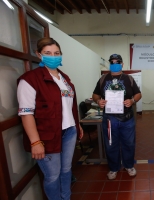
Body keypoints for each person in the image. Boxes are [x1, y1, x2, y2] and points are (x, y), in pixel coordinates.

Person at [17, 37, 83, 200]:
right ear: (39, 55)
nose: (53, 56)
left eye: (56, 53)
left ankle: (65, 197)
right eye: (48, 53)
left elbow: (70, 106)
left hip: (69, 131)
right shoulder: (30, 80)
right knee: (52, 175)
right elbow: (26, 113)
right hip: (46, 136)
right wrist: (35, 142)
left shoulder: (65, 79)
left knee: (66, 169)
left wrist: (77, 124)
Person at [92, 54, 141, 180]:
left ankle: (129, 165)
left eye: (117, 62)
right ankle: (114, 168)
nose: (115, 64)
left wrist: (132, 101)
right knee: (110, 144)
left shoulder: (128, 78)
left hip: (127, 118)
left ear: (122, 64)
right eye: (112, 62)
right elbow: (95, 95)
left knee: (129, 143)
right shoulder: (103, 79)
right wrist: (98, 102)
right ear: (109, 64)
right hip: (109, 118)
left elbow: (138, 94)